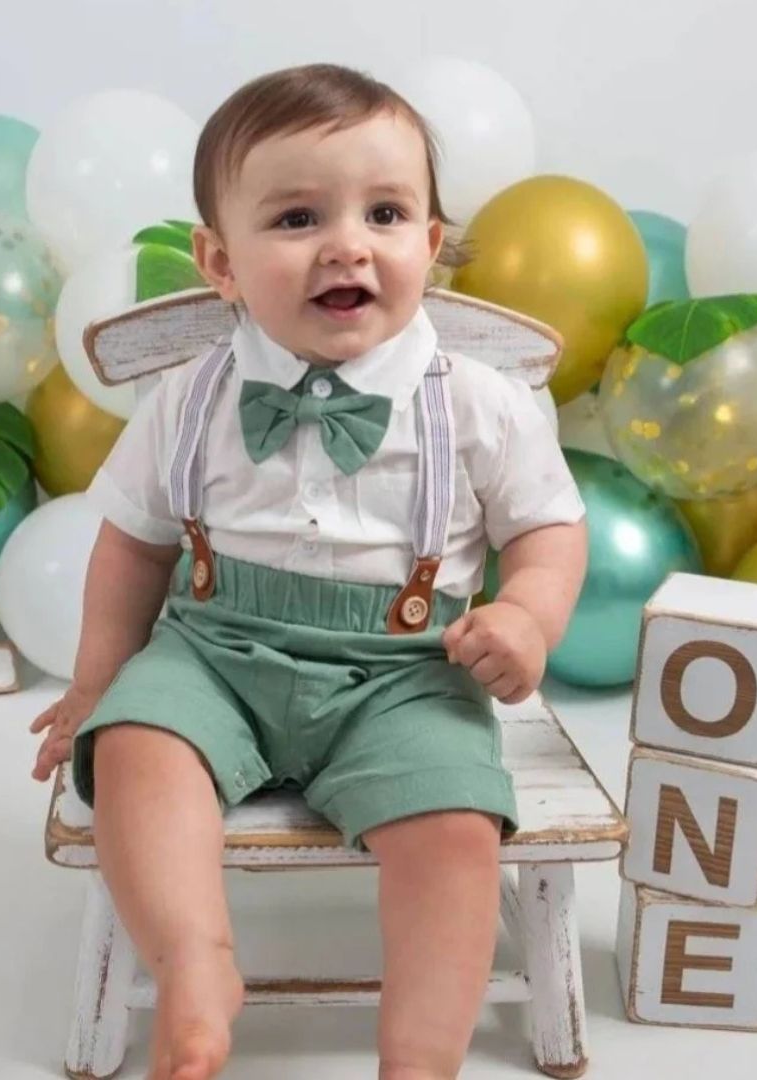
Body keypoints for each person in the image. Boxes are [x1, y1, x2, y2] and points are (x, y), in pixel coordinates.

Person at [31, 62, 587, 1080]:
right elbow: (135, 540)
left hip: (409, 669)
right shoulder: (191, 397)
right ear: (220, 262)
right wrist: (99, 676)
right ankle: (197, 968)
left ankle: (419, 1056)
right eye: (295, 219)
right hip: (215, 649)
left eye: (384, 213)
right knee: (135, 752)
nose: (347, 245)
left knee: (456, 833)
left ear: (428, 245)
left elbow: (549, 528)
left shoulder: (477, 402)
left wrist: (527, 616)